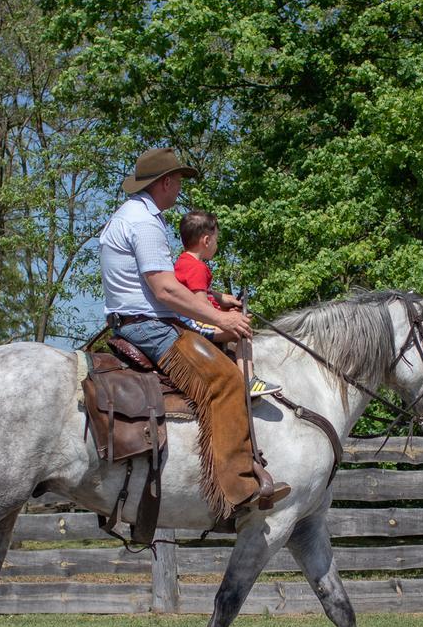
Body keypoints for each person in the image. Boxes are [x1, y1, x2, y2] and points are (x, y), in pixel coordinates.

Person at [98, 148, 288, 516]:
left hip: (138, 322)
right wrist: (222, 320)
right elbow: (165, 290)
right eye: (179, 181)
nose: (181, 188)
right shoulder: (145, 222)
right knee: (226, 380)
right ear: (166, 182)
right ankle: (237, 488)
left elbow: (172, 286)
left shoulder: (129, 216)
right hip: (149, 328)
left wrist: (216, 299)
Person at [174, 210, 281, 398]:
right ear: (206, 241)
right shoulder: (198, 268)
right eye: (216, 239)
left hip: (187, 321)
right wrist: (225, 318)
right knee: (242, 331)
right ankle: (249, 380)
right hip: (195, 324)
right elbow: (200, 304)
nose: (217, 244)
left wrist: (226, 299)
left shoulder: (184, 262)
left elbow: (202, 292)